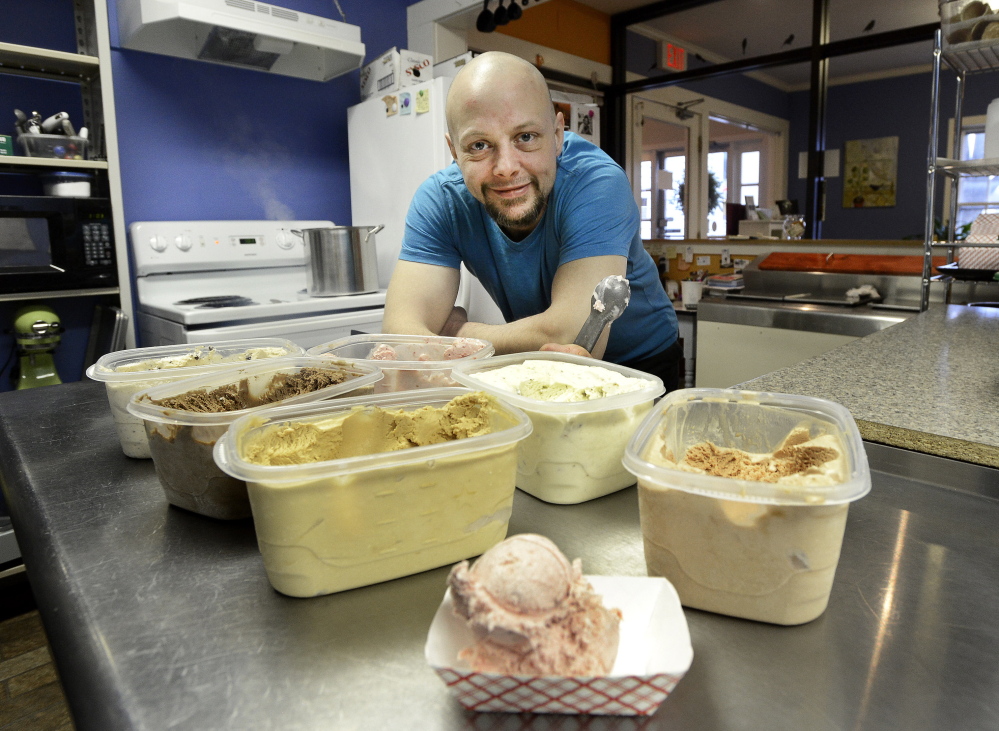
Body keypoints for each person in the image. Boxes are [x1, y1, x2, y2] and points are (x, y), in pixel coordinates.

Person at [382, 51, 681, 390]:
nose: (506, 167)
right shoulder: (440, 200)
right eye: (480, 145)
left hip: (641, 362)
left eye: (525, 137)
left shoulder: (597, 183)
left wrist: (455, 334)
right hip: (534, 363)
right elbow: (401, 331)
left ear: (556, 136)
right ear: (454, 151)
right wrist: (448, 342)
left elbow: (575, 336)